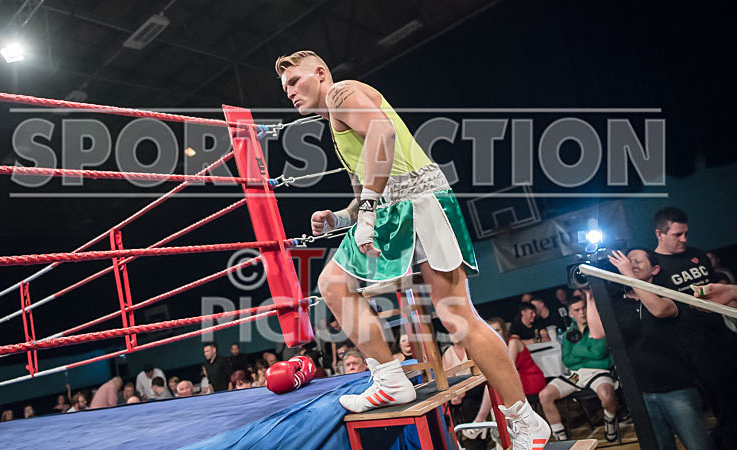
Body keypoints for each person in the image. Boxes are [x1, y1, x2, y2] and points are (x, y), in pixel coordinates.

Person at [276, 50, 549, 448]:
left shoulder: (340, 93)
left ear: (320, 73)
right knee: (339, 285)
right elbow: (366, 190)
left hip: (419, 204)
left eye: (294, 81)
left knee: (455, 316)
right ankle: (392, 381)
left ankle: (524, 420)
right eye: (284, 87)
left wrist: (367, 211)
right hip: (398, 209)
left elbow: (383, 134)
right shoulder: (336, 122)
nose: (289, 91)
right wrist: (340, 218)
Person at [597, 249, 715, 450]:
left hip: (675, 387)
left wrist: (629, 275)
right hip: (640, 390)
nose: (632, 264)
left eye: (637, 261)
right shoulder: (620, 301)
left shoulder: (667, 292)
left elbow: (659, 310)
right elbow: (597, 332)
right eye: (629, 261)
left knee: (698, 445)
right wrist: (591, 291)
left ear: (655, 269)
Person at [650, 207, 737, 448]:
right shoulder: (655, 266)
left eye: (686, 233)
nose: (684, 239)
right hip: (695, 346)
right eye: (677, 234)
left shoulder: (697, 254)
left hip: (724, 334)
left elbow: (720, 292)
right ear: (659, 234)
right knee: (724, 405)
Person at [538, 295, 618, 442]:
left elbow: (599, 353)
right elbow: (567, 360)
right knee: (544, 395)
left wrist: (576, 350)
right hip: (575, 375)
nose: (582, 312)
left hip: (598, 372)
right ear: (570, 313)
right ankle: (561, 437)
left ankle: (610, 420)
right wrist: (588, 351)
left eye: (584, 308)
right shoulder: (568, 333)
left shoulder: (599, 326)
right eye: (577, 310)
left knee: (607, 395)